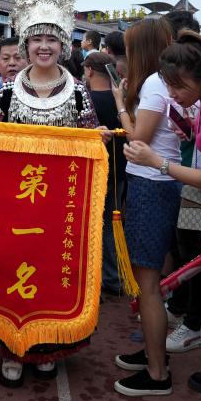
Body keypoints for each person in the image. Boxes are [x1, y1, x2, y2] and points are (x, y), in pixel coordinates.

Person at [0, 0, 100, 388]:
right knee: (11, 275)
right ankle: (12, 349)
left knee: (51, 275)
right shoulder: (8, 92)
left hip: (58, 209)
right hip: (15, 206)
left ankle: (47, 347)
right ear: (26, 44)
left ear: (63, 45)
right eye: (37, 39)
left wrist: (97, 139)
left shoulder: (79, 93)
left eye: (51, 39)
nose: (44, 47)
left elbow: (91, 141)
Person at [123, 31, 201, 362]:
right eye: (168, 86)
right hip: (195, 197)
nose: (171, 94)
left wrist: (156, 161)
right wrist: (187, 131)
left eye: (178, 87)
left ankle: (159, 367)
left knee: (154, 283)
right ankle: (157, 355)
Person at [110, 18, 181, 397]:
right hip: (154, 184)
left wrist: (120, 106)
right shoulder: (161, 82)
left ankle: (157, 374)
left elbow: (139, 137)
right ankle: (154, 354)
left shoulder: (155, 82)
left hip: (152, 187)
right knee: (147, 280)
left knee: (148, 284)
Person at [82, 52, 126, 295]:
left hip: (94, 172)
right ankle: (114, 277)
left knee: (92, 226)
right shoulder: (121, 100)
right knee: (112, 224)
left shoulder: (86, 100)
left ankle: (94, 279)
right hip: (119, 170)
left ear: (89, 70)